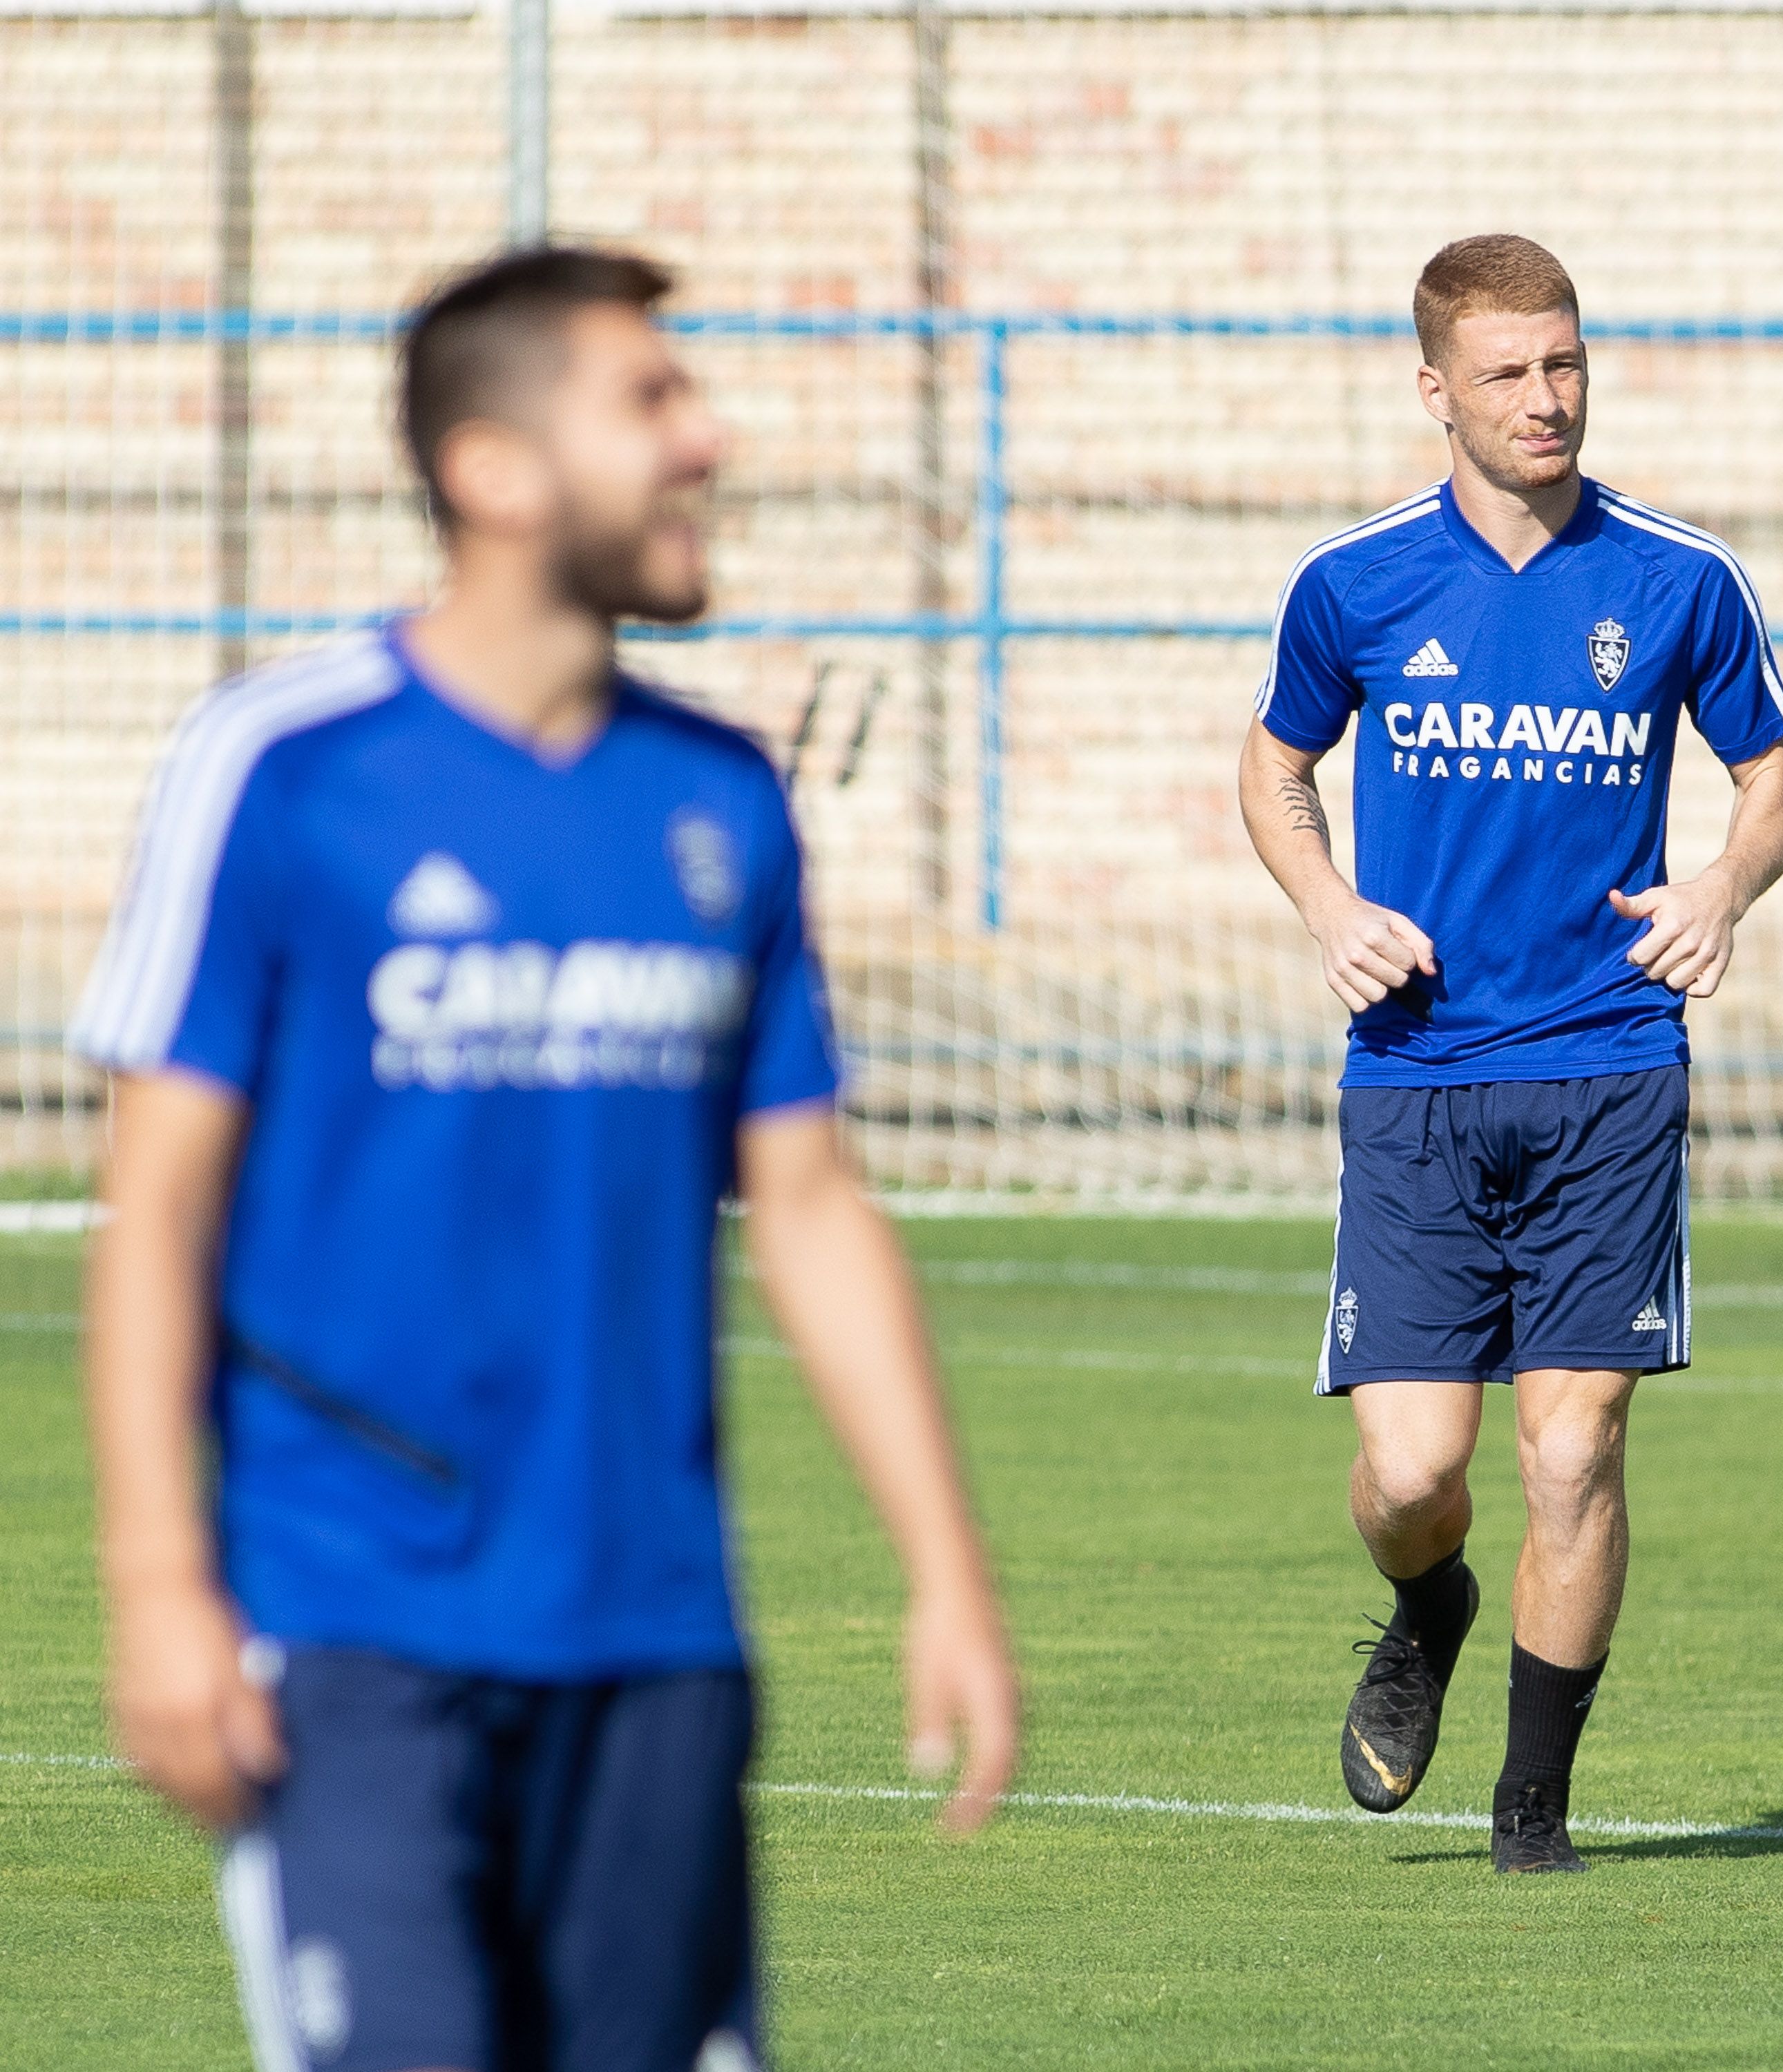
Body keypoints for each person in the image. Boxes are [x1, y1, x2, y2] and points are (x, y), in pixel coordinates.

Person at [77, 245, 1021, 2072]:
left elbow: (808, 1204)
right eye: (650, 399)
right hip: (352, 1629)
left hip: (656, 1636)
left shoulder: (721, 799)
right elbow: (159, 1207)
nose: (705, 440)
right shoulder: (282, 768)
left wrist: (948, 1570)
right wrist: (158, 1587)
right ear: (493, 469)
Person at [1237, 233, 1783, 1873]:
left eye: (1565, 363)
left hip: (1610, 1067)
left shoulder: (1679, 579)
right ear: (1437, 389)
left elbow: (1773, 782)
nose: (1545, 397)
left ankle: (1531, 1815)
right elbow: (1273, 769)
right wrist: (1329, 906)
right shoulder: (1355, 584)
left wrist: (1722, 886)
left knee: (1575, 1449)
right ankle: (1428, 1605)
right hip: (1416, 1075)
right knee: (1416, 1473)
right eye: (1507, 372)